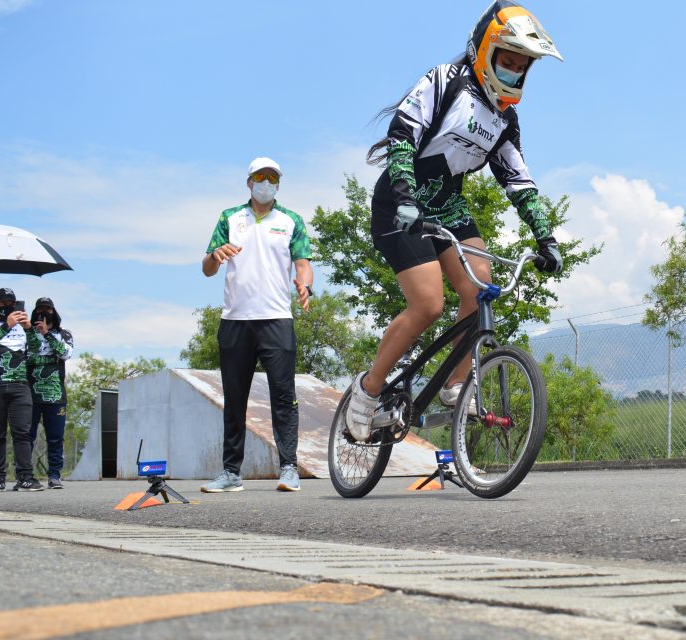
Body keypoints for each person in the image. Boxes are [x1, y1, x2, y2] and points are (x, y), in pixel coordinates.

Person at [345, 0, 564, 439]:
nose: (514, 72)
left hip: (447, 206)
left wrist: (546, 236)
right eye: (508, 61)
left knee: (480, 289)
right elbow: (402, 137)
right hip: (399, 202)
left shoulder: (505, 118)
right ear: (485, 51)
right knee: (429, 304)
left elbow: (517, 179)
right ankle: (367, 392)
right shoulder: (443, 81)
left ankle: (456, 383)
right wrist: (406, 197)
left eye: (522, 67)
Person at [200, 157, 314, 493]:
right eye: (260, 177)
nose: (266, 183)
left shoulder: (291, 220)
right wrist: (215, 255)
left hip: (276, 319)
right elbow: (207, 268)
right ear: (249, 182)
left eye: (273, 178)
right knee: (234, 399)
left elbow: (303, 263)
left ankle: (289, 468)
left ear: (278, 183)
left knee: (283, 396)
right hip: (235, 320)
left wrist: (305, 284)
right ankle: (230, 473)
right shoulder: (229, 218)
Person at [0, 287, 44, 492]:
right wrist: (7, 325)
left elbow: (36, 349)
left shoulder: (22, 326)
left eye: (11, 304)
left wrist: (29, 328)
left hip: (20, 384)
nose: (7, 307)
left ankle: (25, 477)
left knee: (23, 432)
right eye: (3, 304)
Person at [27, 297, 74, 489]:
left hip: (55, 396)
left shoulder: (64, 334)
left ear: (54, 312)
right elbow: (27, 354)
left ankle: (55, 475)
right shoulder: (25, 333)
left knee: (55, 437)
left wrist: (46, 334)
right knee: (26, 436)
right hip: (29, 394)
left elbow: (66, 353)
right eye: (40, 310)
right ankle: (25, 475)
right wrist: (32, 330)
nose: (44, 313)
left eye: (48, 309)